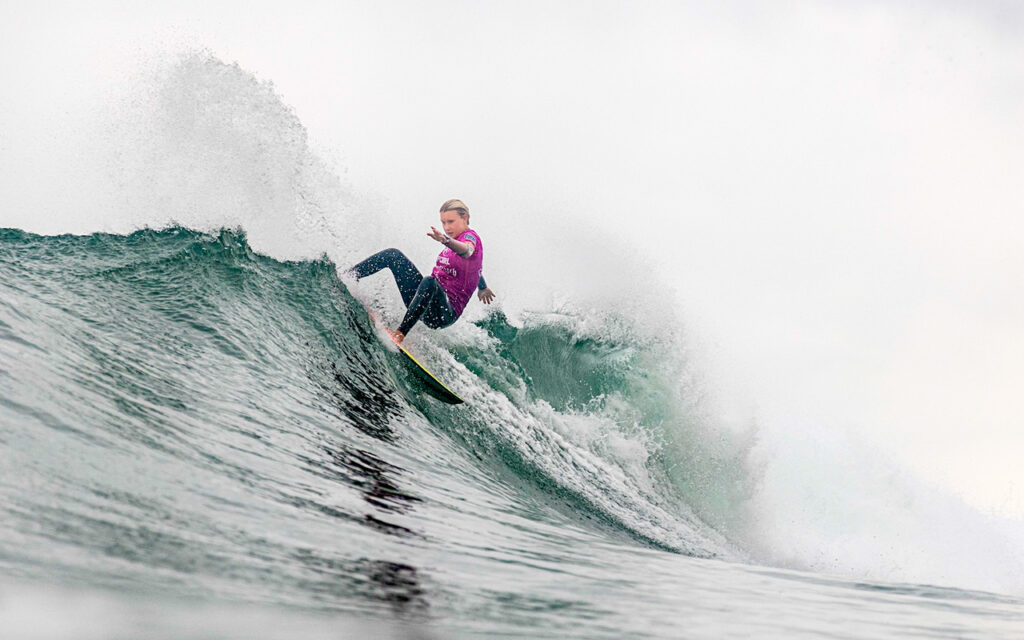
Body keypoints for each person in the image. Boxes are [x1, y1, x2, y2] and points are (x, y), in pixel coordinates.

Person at [348, 199, 495, 344]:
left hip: (443, 314)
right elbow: (473, 268)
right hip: (425, 302)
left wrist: (445, 240)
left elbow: (467, 252)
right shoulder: (454, 241)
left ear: (465, 218)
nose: (446, 227)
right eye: (443, 222)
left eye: (450, 221)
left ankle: (399, 334)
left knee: (430, 281)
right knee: (393, 255)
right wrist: (482, 287)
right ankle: (349, 276)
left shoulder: (470, 238)